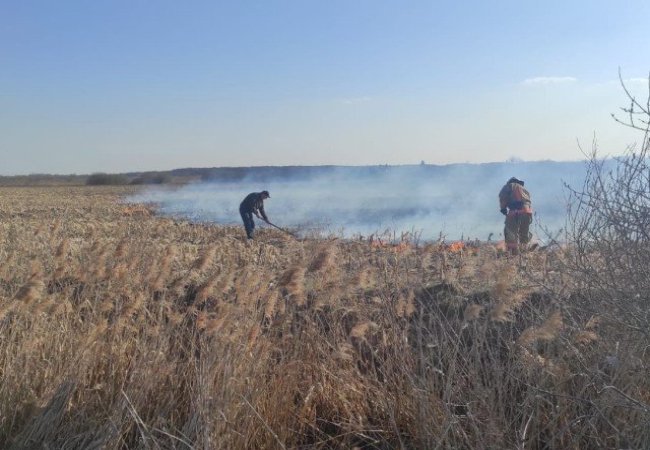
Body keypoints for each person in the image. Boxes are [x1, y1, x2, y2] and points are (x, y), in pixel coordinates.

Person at [498, 177, 533, 255]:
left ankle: (512, 255)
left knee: (510, 233)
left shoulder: (510, 186)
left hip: (515, 212)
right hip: (527, 213)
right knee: (524, 235)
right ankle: (524, 254)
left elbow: (503, 198)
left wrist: (503, 209)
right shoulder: (525, 190)